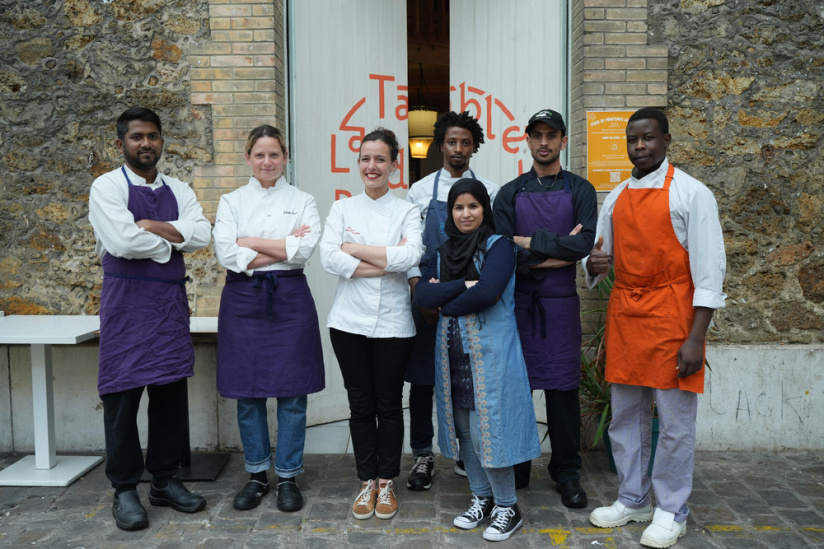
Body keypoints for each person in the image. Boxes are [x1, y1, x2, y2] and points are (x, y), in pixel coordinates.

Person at [584, 108, 726, 548]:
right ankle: (633, 497)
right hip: (626, 314)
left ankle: (671, 508)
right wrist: (593, 264)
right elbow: (597, 257)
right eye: (632, 140)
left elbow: (709, 272)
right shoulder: (618, 196)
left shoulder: (692, 194)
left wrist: (695, 339)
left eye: (648, 138)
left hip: (673, 316)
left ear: (666, 140)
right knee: (625, 416)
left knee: (675, 421)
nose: (639, 146)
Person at [89, 107, 211, 531]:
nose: (146, 143)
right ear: (121, 142)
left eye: (153, 136)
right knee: (122, 400)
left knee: (169, 397)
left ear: (162, 141)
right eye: (137, 136)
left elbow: (204, 234)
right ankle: (124, 489)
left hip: (168, 307)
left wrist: (151, 226)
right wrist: (172, 241)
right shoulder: (106, 186)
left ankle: (164, 480)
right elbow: (122, 241)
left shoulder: (179, 188)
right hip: (126, 307)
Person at [415, 179, 541, 542]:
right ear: (450, 213)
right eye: (458, 207)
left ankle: (507, 507)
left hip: (491, 351)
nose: (466, 213)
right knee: (464, 428)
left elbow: (488, 293)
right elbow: (423, 292)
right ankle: (482, 498)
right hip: (452, 351)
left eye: (473, 206)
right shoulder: (444, 249)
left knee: (491, 428)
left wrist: (445, 300)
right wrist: (461, 286)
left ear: (484, 208)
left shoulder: (499, 245)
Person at [212, 125, 324, 513]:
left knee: (293, 393)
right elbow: (227, 254)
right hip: (243, 300)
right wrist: (281, 246)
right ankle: (257, 474)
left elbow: (304, 250)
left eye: (274, 154)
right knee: (248, 393)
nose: (267, 161)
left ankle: (289, 475)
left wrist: (251, 243)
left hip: (290, 299)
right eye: (259, 155)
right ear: (248, 159)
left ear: (285, 157)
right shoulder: (231, 201)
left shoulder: (303, 199)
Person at [493, 108, 597, 507]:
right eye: (536, 134)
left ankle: (566, 471)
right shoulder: (510, 192)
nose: (543, 142)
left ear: (563, 141)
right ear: (527, 140)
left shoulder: (581, 190)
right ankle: (517, 466)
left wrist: (528, 243)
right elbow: (502, 254)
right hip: (518, 306)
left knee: (562, 391)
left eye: (551, 135)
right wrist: (557, 249)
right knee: (516, 389)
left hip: (561, 308)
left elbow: (584, 245)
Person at [319, 127, 424, 520]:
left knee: (390, 404)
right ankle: (366, 482)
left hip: (395, 324)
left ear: (394, 165)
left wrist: (356, 251)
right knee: (360, 403)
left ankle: (387, 482)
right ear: (358, 163)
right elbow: (330, 258)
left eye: (380, 159)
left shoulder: (406, 210)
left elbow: (411, 254)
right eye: (365, 158)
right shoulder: (343, 208)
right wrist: (385, 261)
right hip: (348, 323)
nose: (372, 166)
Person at [404, 111, 498, 491]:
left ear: (474, 146)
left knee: (467, 377)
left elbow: (494, 248)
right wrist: (419, 293)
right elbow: (411, 249)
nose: (459, 149)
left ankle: (467, 451)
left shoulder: (489, 190)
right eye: (452, 142)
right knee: (423, 379)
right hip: (426, 297)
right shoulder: (418, 190)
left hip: (471, 297)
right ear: (440, 144)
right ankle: (423, 454)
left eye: (465, 143)